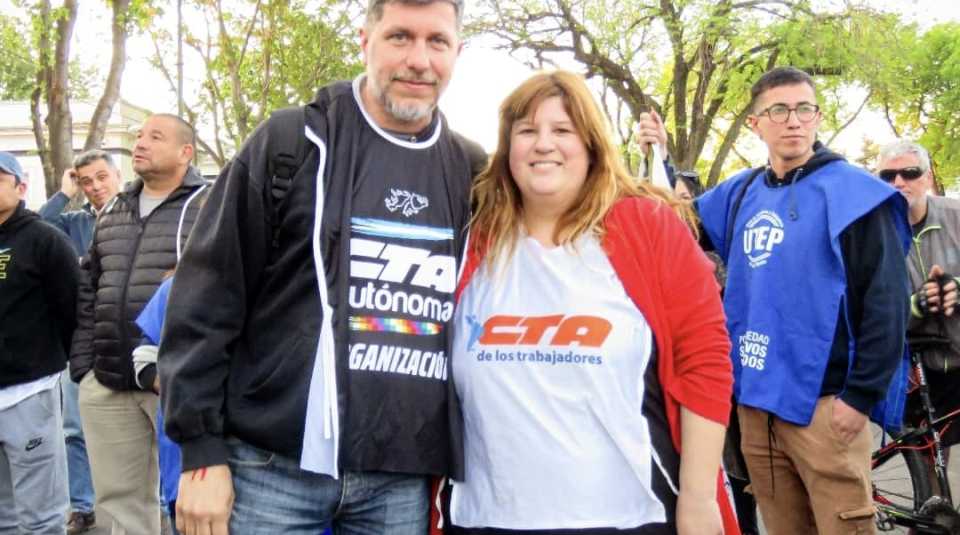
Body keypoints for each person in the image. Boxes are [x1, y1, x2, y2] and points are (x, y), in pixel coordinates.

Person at [157, 0, 485, 533]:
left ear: (457, 52)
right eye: (400, 37)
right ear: (365, 40)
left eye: (437, 42)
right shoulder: (292, 142)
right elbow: (206, 298)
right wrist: (200, 451)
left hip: (401, 476)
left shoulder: (471, 170)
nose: (419, 60)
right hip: (269, 470)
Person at [447, 70, 738, 535]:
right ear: (507, 148)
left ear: (591, 144)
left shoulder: (647, 226)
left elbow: (703, 361)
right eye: (527, 130)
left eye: (562, 130)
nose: (544, 144)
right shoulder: (473, 235)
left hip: (628, 517)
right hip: (484, 519)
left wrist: (699, 498)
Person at [696, 66, 911, 535]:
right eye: (778, 110)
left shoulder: (853, 194)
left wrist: (858, 399)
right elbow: (678, 223)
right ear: (755, 123)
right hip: (757, 407)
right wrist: (655, 155)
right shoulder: (741, 193)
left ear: (817, 117)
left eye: (803, 109)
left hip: (826, 407)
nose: (793, 120)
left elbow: (888, 303)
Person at [69, 114, 209, 535]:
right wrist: (85, 366)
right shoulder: (114, 209)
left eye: (155, 137)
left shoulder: (211, 205)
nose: (141, 143)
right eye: (140, 136)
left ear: (186, 152)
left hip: (177, 382)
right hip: (108, 378)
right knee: (119, 507)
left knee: (192, 503)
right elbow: (89, 288)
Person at [38, 149, 122, 534]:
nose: (95, 186)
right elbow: (36, 227)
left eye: (101, 177)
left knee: (141, 427)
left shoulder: (137, 215)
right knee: (75, 429)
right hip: (81, 339)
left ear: (117, 175)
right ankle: (83, 506)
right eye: (86, 181)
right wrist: (63, 193)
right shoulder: (74, 224)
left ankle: (153, 503)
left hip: (129, 337)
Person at [0, 151, 79, 534]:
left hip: (29, 393)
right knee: (3, 516)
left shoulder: (45, 240)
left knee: (41, 518)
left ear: (21, 187)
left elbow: (72, 310)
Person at [877, 141, 960, 459]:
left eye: (910, 173)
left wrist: (955, 289)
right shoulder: (871, 233)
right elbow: (870, 308)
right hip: (917, 368)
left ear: (927, 178)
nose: (899, 182)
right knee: (931, 465)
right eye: (888, 176)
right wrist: (916, 304)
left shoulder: (955, 215)